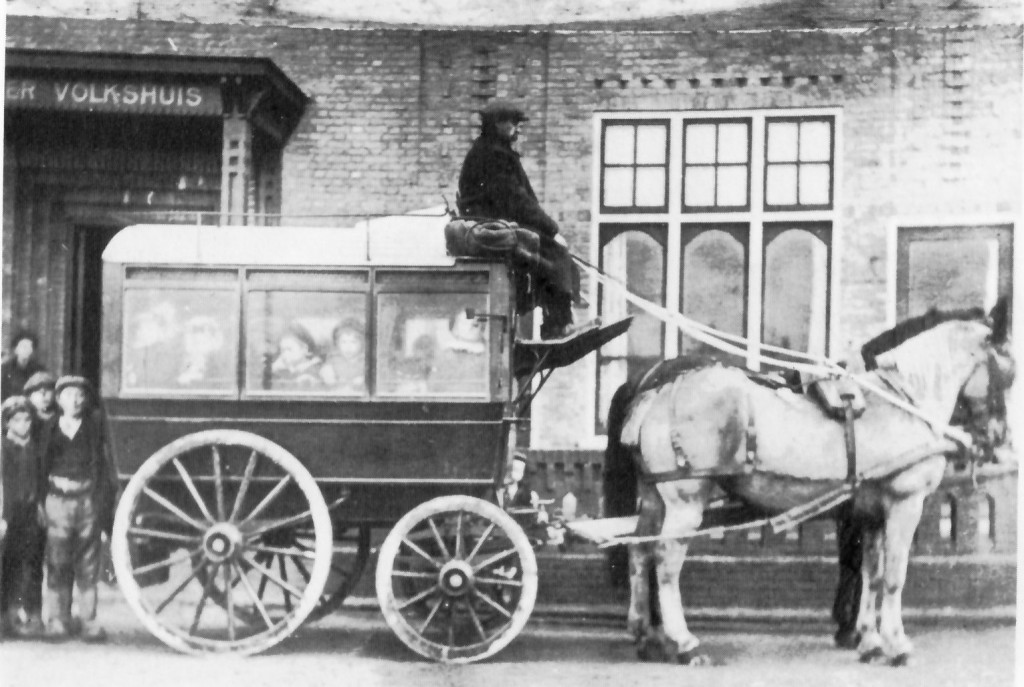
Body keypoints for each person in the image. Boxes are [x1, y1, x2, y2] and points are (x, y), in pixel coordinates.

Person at [457, 100, 584, 340]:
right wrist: (552, 230)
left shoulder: (491, 152)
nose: (518, 128)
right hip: (493, 224)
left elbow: (520, 199)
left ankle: (556, 321)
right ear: (498, 124)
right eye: (513, 123)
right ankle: (558, 325)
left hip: (494, 221)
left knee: (552, 254)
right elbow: (516, 200)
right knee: (554, 253)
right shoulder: (493, 156)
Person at [38, 376, 118, 642]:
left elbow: (105, 464)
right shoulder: (49, 427)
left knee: (88, 563)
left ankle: (88, 621)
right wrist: (41, 502)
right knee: (58, 561)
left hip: (86, 501)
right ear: (59, 399)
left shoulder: (94, 427)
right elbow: (40, 467)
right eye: (69, 395)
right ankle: (58, 620)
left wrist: (99, 502)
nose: (75, 400)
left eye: (80, 395)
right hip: (57, 501)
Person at [1, 396, 45, 637]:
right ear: (7, 423)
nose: (23, 425)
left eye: (27, 419)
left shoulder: (34, 449)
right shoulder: (3, 448)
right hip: (9, 514)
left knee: (28, 562)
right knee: (5, 563)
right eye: (17, 420)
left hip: (29, 513)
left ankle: (26, 614)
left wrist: (39, 504)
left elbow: (39, 480)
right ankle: (4, 617)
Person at [270, 323, 325, 391]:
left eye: (289, 349)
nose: (284, 354)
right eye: (282, 350)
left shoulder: (316, 370)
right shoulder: (282, 369)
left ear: (305, 349)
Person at [321, 318, 366, 394]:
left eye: (353, 342)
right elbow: (325, 372)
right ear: (337, 344)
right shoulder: (333, 359)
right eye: (343, 342)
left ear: (362, 343)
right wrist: (327, 374)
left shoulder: (366, 360)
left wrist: (364, 379)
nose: (348, 346)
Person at [1, 331, 45, 401]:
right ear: (15, 349)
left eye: (30, 346)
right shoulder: (5, 369)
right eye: (24, 346)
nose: (28, 350)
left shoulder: (39, 370)